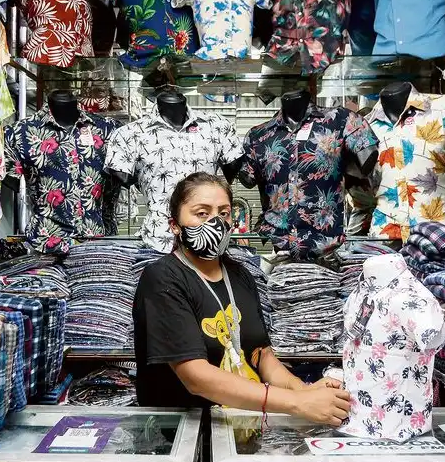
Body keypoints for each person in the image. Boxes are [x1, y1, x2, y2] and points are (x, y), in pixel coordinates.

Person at [133, 172, 352, 425]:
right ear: (174, 225)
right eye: (202, 213)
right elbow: (196, 377)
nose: (216, 223)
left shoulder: (241, 275)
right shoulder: (162, 278)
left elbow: (263, 356)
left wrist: (304, 390)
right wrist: (297, 403)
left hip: (237, 430)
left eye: (223, 213)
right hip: (180, 433)